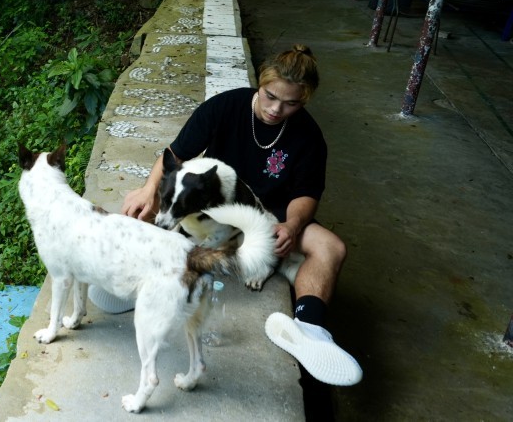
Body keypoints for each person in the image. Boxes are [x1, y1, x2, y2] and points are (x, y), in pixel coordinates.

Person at [94, 44, 362, 386]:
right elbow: (175, 154)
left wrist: (292, 225)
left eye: (291, 103)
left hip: (269, 214)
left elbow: (305, 195)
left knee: (331, 248)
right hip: (207, 205)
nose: (276, 109)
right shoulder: (226, 106)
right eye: (270, 96)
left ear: (305, 99)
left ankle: (308, 330)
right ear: (260, 84)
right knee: (143, 210)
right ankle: (131, 287)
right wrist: (149, 191)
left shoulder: (309, 136)